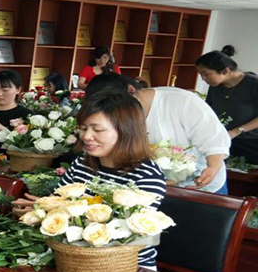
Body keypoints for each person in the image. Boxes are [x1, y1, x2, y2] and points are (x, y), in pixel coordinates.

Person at [13, 92, 166, 272]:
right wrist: (40, 209)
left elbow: (127, 233)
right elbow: (60, 202)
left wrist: (57, 211)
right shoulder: (82, 164)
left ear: (126, 131)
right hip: (74, 261)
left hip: (128, 271)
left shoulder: (146, 175)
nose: (86, 136)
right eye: (84, 128)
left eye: (98, 130)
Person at [86, 73, 231, 194]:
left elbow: (214, 139)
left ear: (131, 90)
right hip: (147, 187)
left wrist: (212, 167)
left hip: (199, 183)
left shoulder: (181, 101)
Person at [197, 45, 258, 164]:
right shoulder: (215, 86)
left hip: (252, 142)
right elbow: (209, 112)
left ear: (225, 71)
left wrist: (236, 131)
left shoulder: (253, 83)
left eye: (206, 74)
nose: (203, 79)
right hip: (225, 140)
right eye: (201, 75)